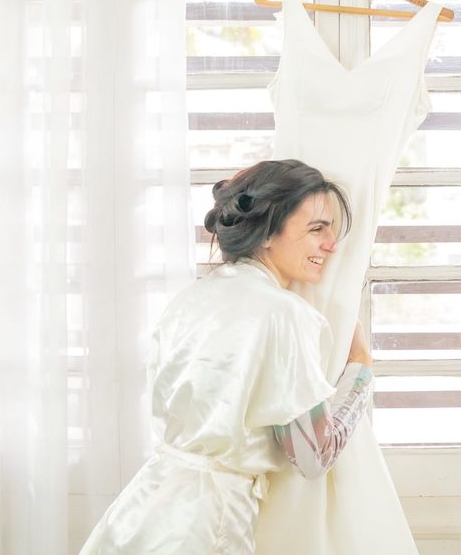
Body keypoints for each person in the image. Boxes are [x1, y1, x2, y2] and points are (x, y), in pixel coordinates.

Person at [79, 159, 375, 554]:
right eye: (316, 229)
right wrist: (360, 370)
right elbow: (313, 457)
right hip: (207, 524)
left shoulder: (191, 298)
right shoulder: (285, 314)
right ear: (267, 233)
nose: (331, 245)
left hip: (141, 507)